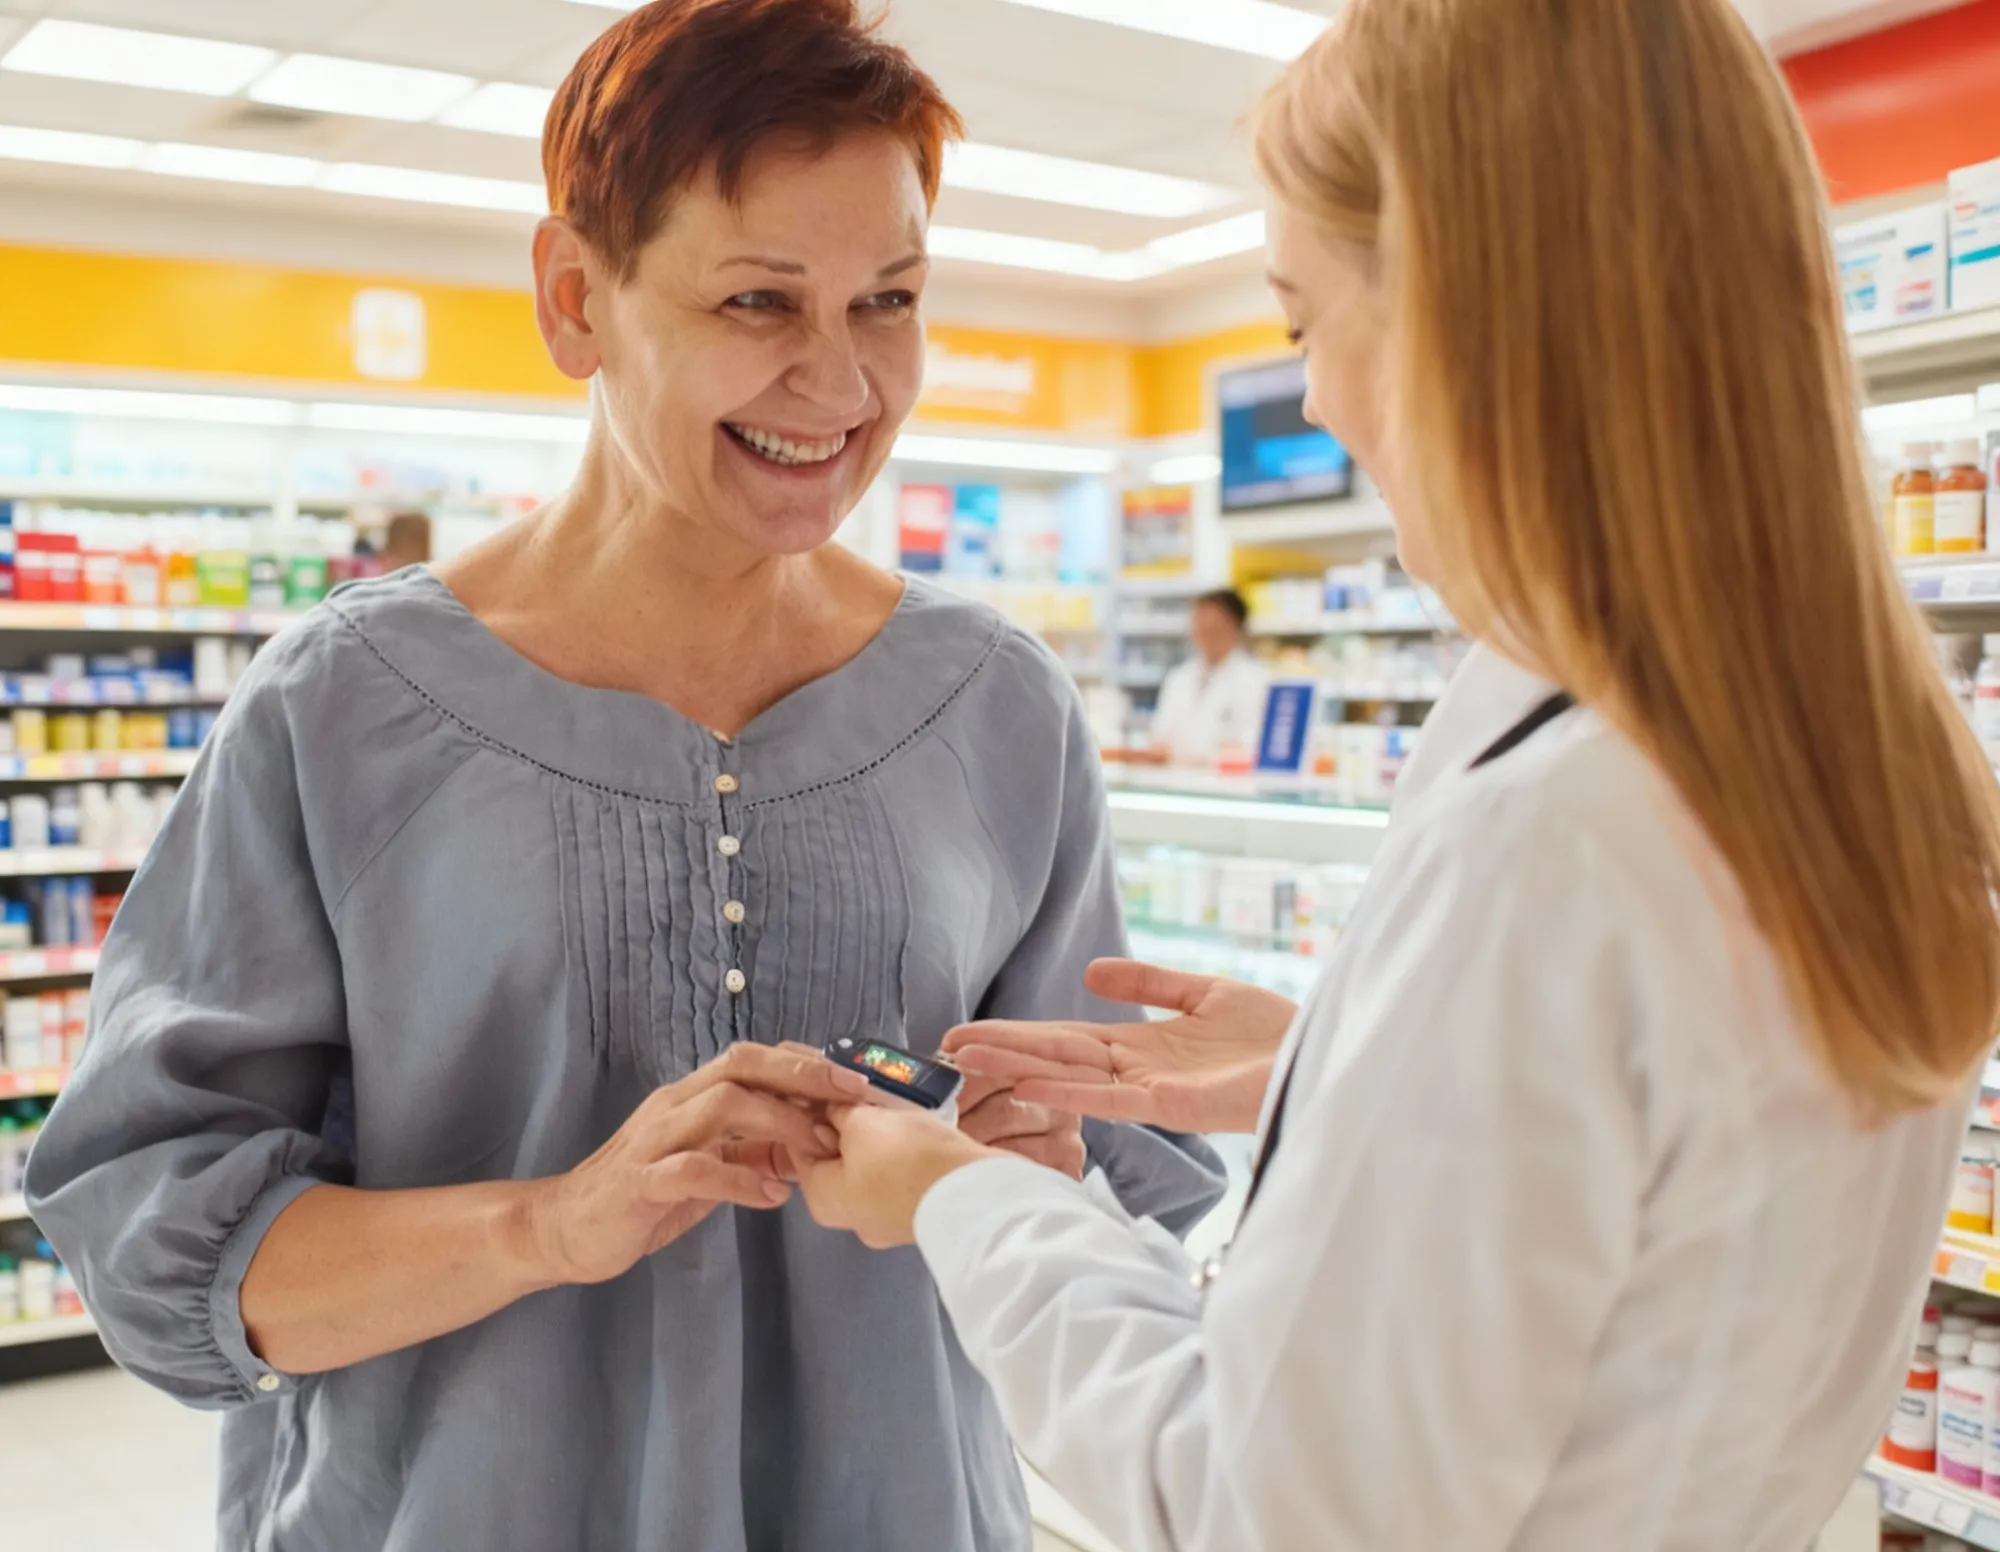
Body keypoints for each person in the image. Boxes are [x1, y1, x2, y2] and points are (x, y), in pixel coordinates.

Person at [794, 2, 2000, 1548]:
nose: (1311, 400)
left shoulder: (1552, 848)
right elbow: (1667, 1206)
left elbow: (1265, 1508)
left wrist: (960, 1199)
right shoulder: (1872, 759)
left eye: (1303, 322)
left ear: (1461, 320)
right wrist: (1337, 1072)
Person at [25, 4, 1221, 1550]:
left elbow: (1133, 1190)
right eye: (759, 301)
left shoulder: (998, 709)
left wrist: (1040, 1177)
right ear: (576, 297)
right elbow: (164, 1252)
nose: (841, 381)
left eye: (890, 300)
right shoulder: (340, 710)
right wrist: (554, 1220)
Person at [1110, 588, 1270, 768]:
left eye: (1214, 625)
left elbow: (1253, 747)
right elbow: (1160, 739)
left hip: (1228, 786)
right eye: (1199, 624)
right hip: (1179, 783)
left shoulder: (1256, 680)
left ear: (1237, 627)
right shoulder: (1179, 678)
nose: (1205, 632)